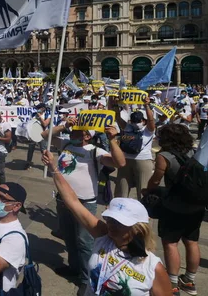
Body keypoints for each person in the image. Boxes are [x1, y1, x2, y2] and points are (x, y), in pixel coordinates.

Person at [42, 150, 172, 296]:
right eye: (110, 219)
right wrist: (54, 168)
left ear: (138, 229)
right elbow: (73, 201)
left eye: (120, 222)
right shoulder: (104, 235)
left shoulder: (152, 267)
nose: (111, 225)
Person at [42, 117, 126, 295]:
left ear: (87, 136)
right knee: (69, 237)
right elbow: (44, 134)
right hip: (63, 200)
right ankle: (74, 268)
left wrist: (112, 140)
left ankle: (86, 279)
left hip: (85, 202)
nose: (72, 132)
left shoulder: (95, 150)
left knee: (85, 242)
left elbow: (120, 163)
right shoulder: (65, 144)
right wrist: (65, 124)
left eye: (77, 130)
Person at [145, 124, 205, 295]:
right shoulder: (196, 152)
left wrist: (147, 190)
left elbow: (156, 180)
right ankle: (189, 280)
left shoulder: (164, 156)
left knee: (170, 243)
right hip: (197, 204)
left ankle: (172, 284)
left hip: (175, 205)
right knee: (191, 241)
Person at [113, 96, 156, 200]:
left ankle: (123, 209)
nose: (136, 123)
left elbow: (117, 116)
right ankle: (139, 209)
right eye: (134, 121)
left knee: (126, 188)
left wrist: (146, 105)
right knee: (141, 188)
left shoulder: (131, 128)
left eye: (137, 120)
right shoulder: (144, 129)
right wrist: (115, 104)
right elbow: (117, 117)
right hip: (139, 160)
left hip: (130, 159)